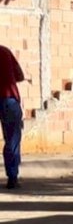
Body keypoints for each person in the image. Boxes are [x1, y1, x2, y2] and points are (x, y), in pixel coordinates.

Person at [0, 44, 25, 189]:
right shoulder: (5, 51)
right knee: (12, 139)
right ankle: (12, 177)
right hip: (9, 99)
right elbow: (20, 75)